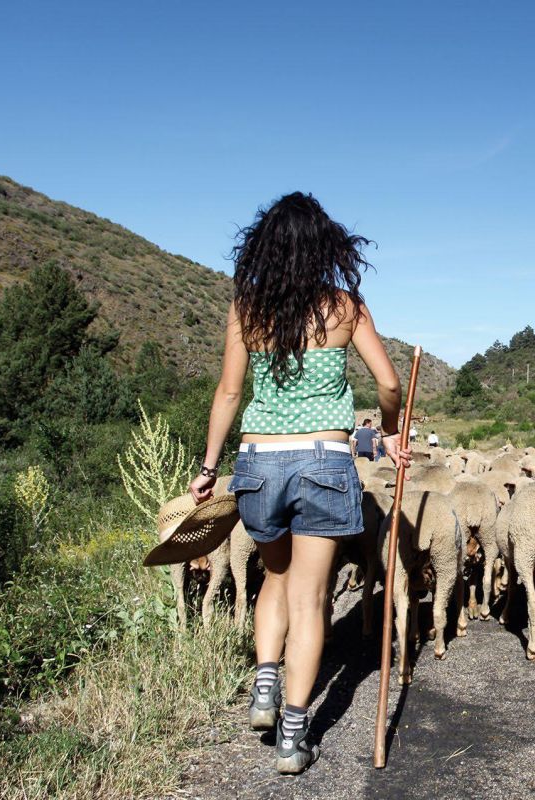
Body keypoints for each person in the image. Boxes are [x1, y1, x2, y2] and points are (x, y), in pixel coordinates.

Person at [187, 192, 409, 775]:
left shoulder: (247, 308)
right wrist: (388, 431)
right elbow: (389, 384)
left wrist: (210, 469)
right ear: (325, 245)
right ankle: (292, 735)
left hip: (258, 462)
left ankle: (264, 685)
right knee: (312, 600)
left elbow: (230, 393)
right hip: (323, 460)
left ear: (266, 245)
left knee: (274, 582)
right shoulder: (344, 306)